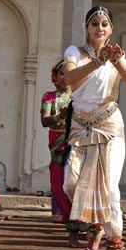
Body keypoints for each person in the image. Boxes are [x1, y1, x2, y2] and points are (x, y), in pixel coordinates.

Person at [62, 5, 126, 250]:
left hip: (109, 128)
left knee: (108, 188)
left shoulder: (116, 54)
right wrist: (98, 61)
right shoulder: (74, 52)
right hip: (80, 127)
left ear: (111, 29)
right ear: (87, 28)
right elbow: (69, 80)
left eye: (105, 24)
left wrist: (116, 61)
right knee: (70, 184)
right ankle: (94, 222)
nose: (100, 28)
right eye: (95, 23)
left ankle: (115, 245)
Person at [40, 60, 72, 224]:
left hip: (77, 140)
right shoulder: (50, 97)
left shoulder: (79, 97)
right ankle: (65, 214)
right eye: (62, 73)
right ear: (55, 76)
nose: (65, 77)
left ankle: (78, 217)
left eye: (69, 73)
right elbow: (45, 121)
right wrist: (61, 116)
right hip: (57, 141)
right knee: (58, 178)